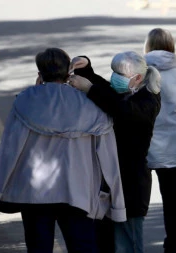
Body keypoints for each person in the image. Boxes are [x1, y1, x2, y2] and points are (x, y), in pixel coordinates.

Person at [0, 48, 126, 253]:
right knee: (83, 247)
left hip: (34, 194)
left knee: (39, 248)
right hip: (79, 193)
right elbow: (109, 158)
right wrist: (117, 204)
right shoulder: (92, 107)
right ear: (69, 72)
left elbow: (9, 149)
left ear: (39, 74)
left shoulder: (26, 101)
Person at [69, 51, 161, 253]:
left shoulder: (148, 101)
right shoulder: (129, 90)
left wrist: (90, 89)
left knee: (129, 243)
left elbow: (119, 107)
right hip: (110, 182)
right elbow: (108, 92)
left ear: (137, 78)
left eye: (120, 74)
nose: (114, 78)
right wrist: (86, 68)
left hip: (131, 185)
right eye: (114, 72)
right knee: (106, 242)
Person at [144, 28, 176, 253]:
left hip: (142, 139)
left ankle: (130, 236)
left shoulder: (138, 71)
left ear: (148, 46)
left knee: (137, 190)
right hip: (171, 139)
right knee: (170, 191)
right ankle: (174, 237)